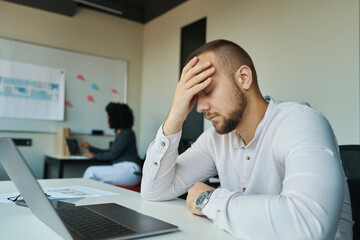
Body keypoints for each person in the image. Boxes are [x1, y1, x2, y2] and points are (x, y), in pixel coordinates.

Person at [140, 39, 353, 239]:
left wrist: (209, 199)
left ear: (243, 78)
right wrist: (174, 118)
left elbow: (307, 228)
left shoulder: (301, 122)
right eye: (195, 97)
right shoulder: (216, 139)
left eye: (207, 91)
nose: (200, 107)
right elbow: (154, 190)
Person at [81, 102, 142, 186]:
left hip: (130, 171)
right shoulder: (121, 133)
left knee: (91, 171)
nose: (107, 122)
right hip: (124, 169)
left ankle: (80, 197)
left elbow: (112, 154)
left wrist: (94, 155)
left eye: (108, 118)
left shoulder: (127, 133)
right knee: (98, 182)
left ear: (115, 119)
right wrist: (91, 148)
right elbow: (111, 151)